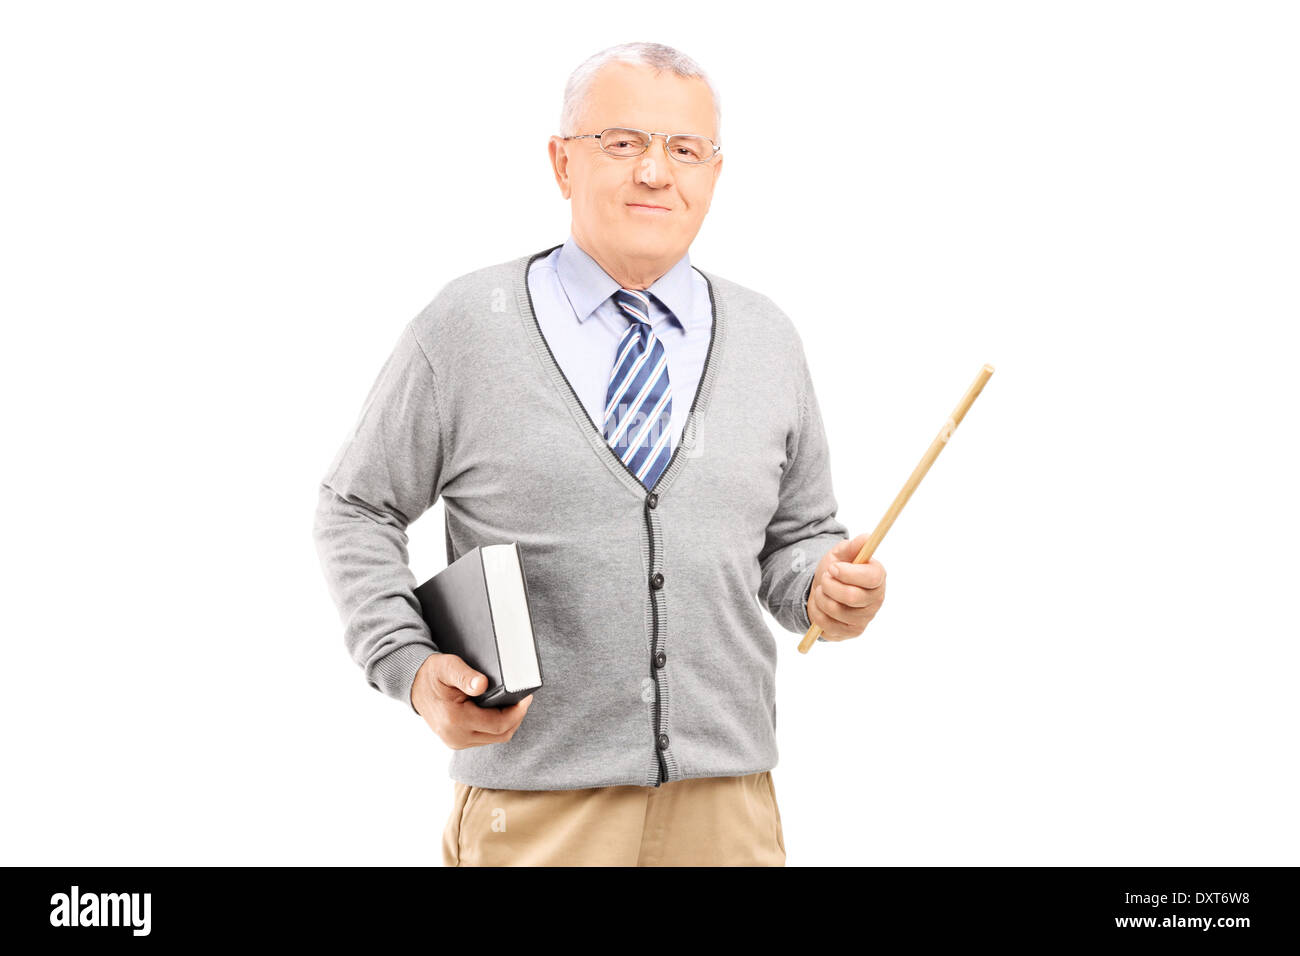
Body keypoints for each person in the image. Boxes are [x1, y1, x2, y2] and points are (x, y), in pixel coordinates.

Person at [312, 41, 886, 866]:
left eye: (685, 150)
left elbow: (796, 542)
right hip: (534, 809)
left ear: (714, 175)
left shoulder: (768, 340)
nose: (656, 173)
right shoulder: (468, 328)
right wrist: (404, 660)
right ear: (562, 163)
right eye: (623, 143)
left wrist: (826, 590)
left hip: (727, 810)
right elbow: (354, 505)